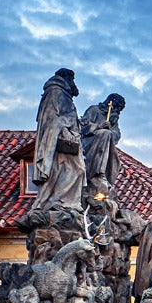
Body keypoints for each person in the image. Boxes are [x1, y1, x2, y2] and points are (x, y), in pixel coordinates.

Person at [32, 68, 85, 211]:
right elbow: (51, 118)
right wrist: (65, 129)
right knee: (74, 169)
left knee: (76, 170)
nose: (73, 83)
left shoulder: (63, 94)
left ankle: (66, 201)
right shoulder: (55, 92)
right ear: (66, 78)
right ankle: (58, 201)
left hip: (68, 140)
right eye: (72, 79)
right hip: (57, 141)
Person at [80, 93, 125, 201]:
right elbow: (83, 127)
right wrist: (99, 127)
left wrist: (111, 126)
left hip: (105, 148)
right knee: (105, 134)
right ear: (110, 104)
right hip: (88, 144)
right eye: (116, 108)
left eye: (119, 110)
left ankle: (103, 172)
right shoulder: (94, 110)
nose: (117, 112)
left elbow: (116, 135)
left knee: (108, 135)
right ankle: (98, 173)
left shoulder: (113, 119)